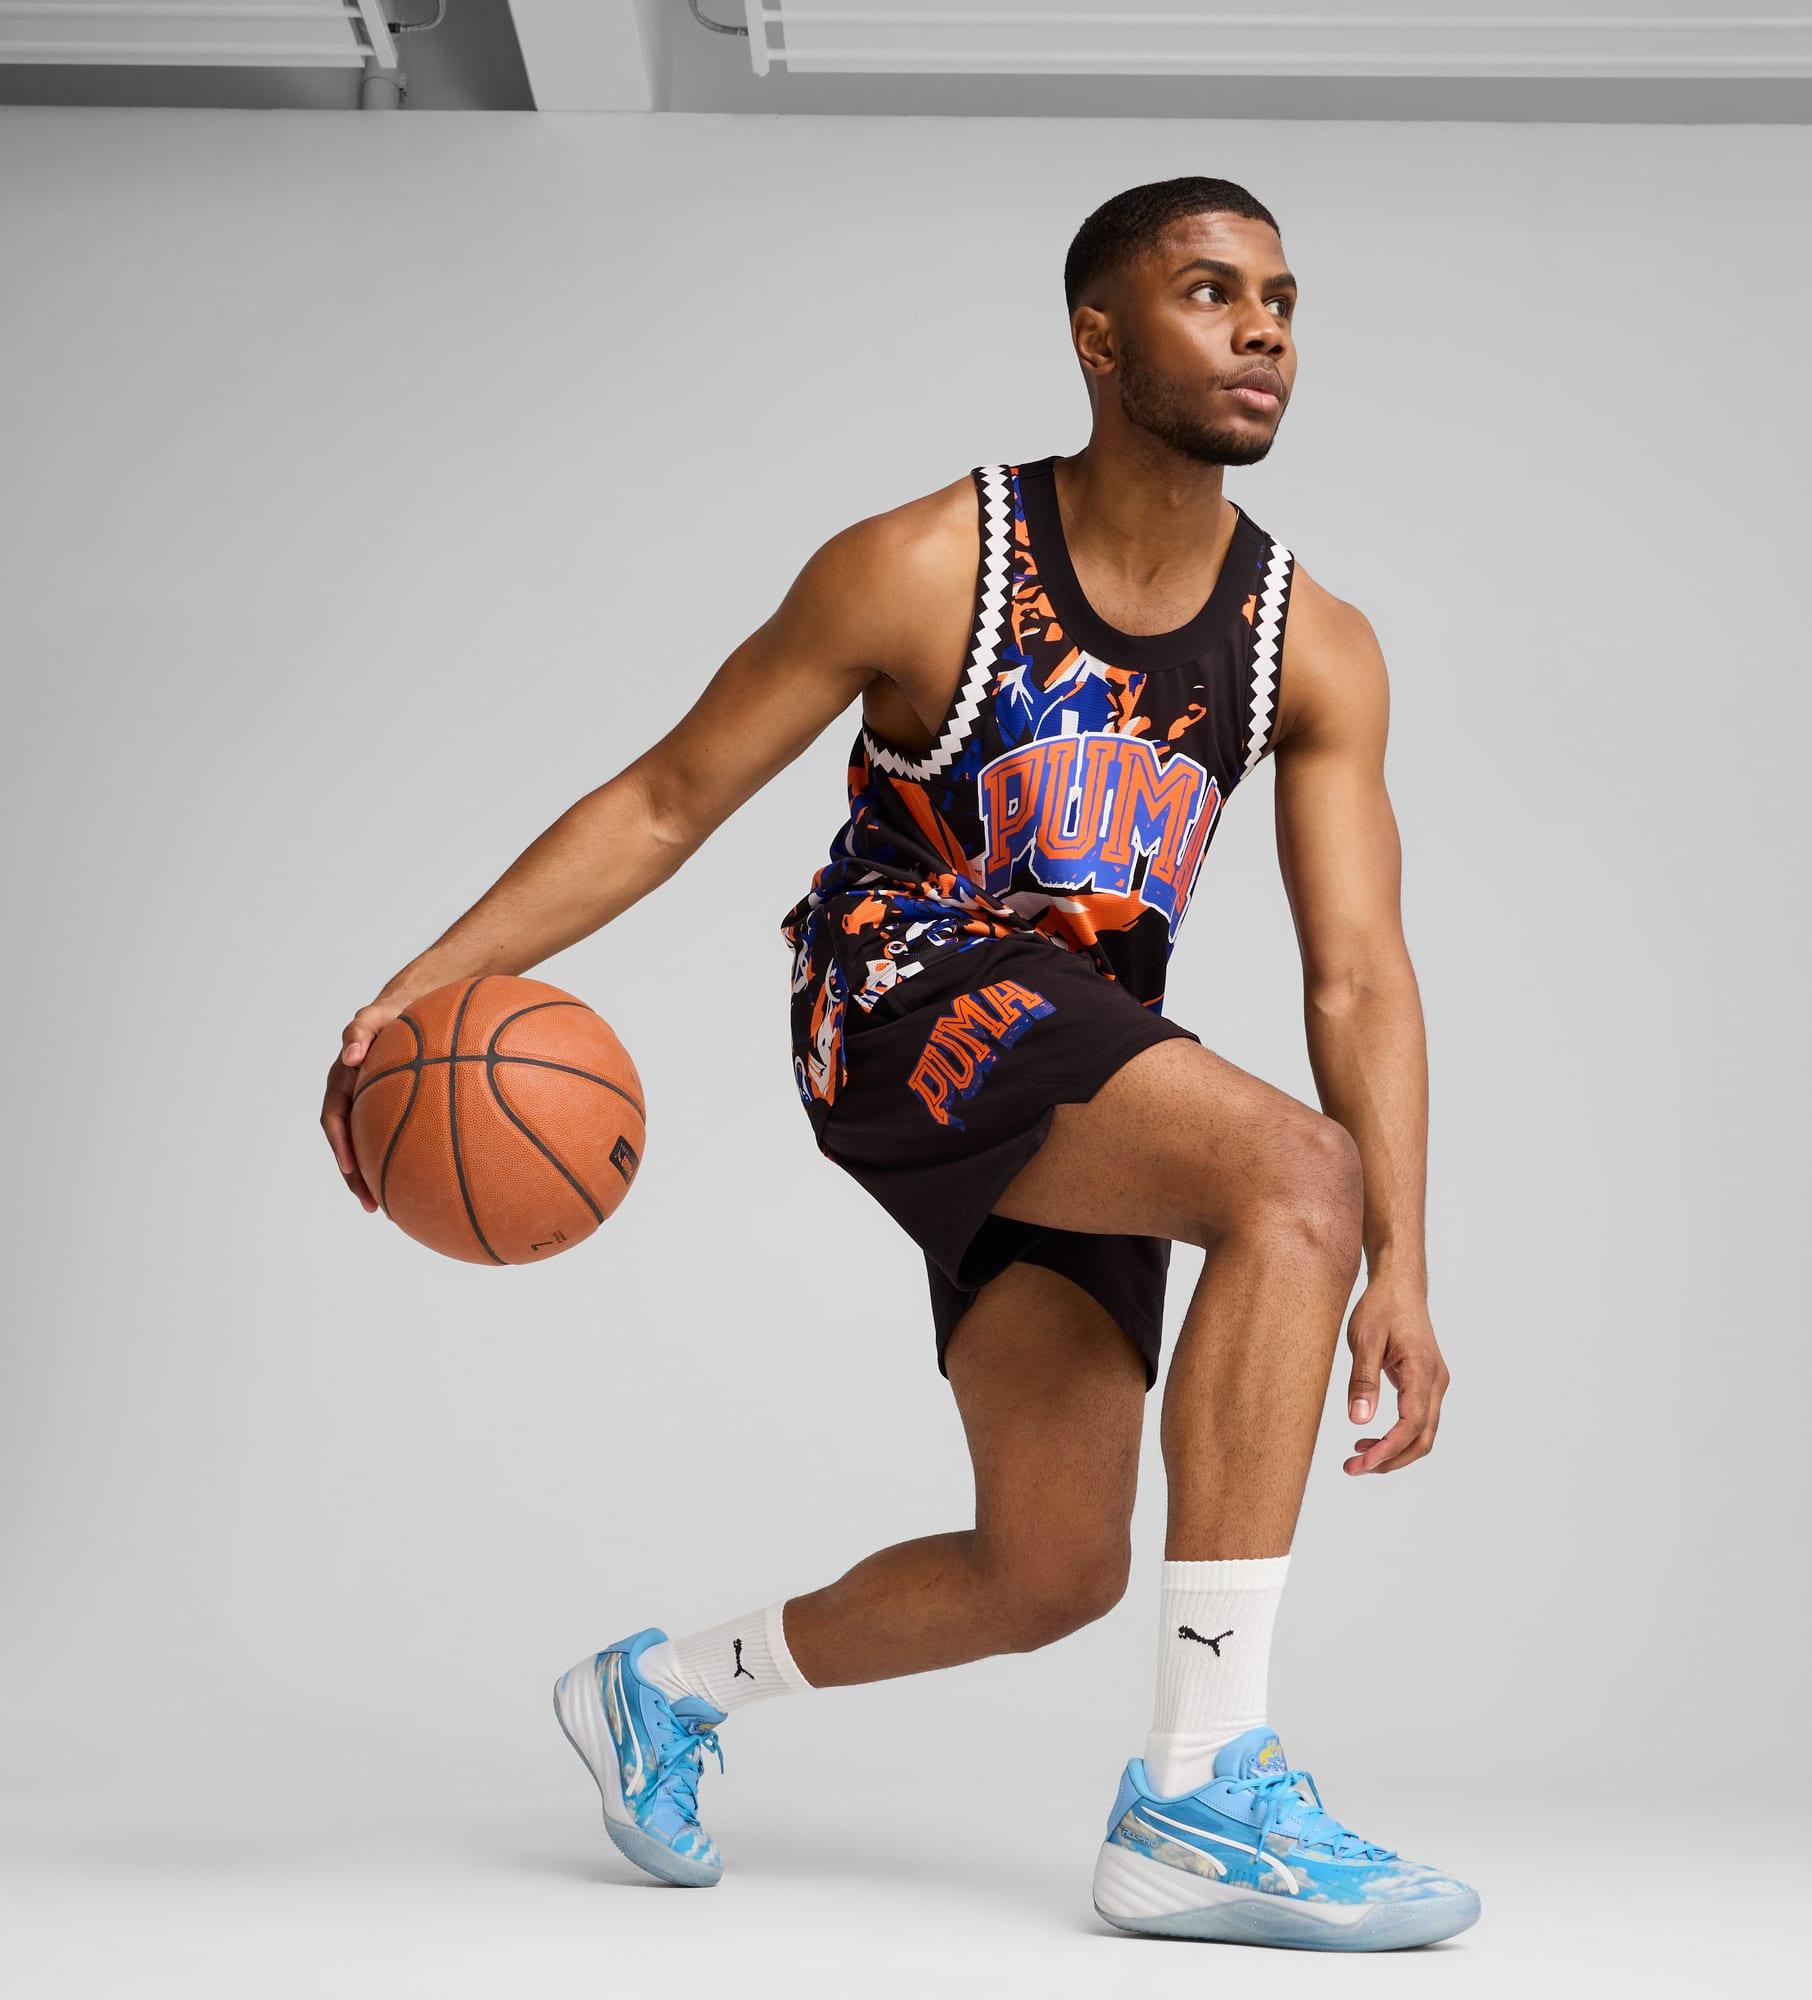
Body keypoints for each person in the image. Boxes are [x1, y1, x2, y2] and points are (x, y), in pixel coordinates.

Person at [321, 176, 1475, 1952]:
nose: (1264, 328)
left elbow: (1359, 969)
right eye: (1210, 291)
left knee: (1049, 1570)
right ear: (1100, 339)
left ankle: (660, 1691)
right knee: (1289, 1176)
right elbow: (667, 797)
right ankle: (1201, 1794)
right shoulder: (932, 561)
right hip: (895, 993)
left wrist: (1405, 1256)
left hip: (1083, 1054)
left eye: (1283, 299)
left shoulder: (1309, 643)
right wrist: (428, 983)